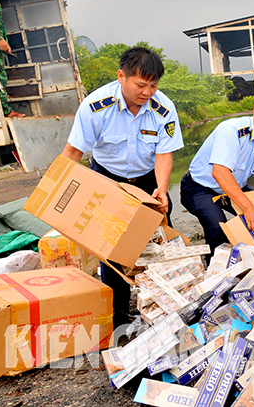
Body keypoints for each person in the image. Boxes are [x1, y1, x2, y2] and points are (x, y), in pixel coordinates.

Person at [62, 46, 183, 328]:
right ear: (121, 76)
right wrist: (60, 194)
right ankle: (118, 315)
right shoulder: (95, 107)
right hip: (109, 176)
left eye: (153, 85)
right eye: (141, 85)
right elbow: (73, 152)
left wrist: (162, 190)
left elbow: (164, 154)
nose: (148, 92)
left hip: (148, 179)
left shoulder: (163, 108)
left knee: (159, 240)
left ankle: (165, 306)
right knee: (112, 245)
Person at [180, 88, 254, 254]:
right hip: (199, 188)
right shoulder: (231, 131)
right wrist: (249, 209)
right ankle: (215, 269)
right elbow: (219, 172)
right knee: (219, 227)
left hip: (234, 187)